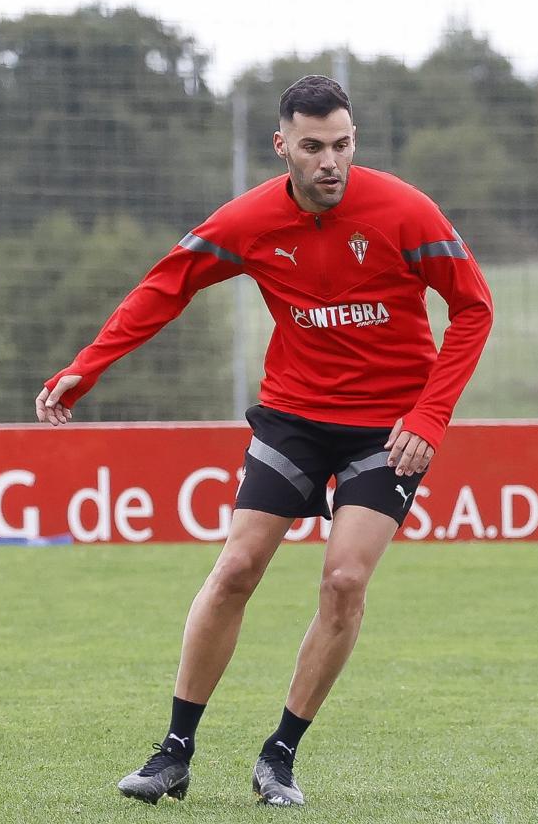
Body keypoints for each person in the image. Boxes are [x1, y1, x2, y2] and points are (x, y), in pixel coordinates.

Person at [34, 75, 493, 807]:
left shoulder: (407, 212)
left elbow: (473, 307)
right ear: (283, 146)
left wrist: (430, 415)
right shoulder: (250, 221)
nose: (329, 162)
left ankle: (280, 755)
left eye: (341, 144)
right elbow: (167, 284)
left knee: (344, 582)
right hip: (295, 419)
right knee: (238, 566)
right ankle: (174, 752)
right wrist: (87, 367)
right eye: (312, 147)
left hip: (388, 428)